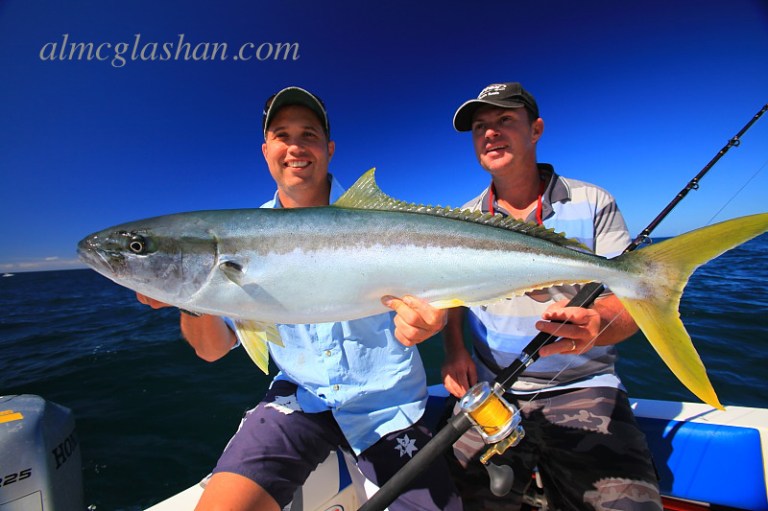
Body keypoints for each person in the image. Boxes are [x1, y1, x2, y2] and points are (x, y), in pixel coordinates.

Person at [138, 86, 462, 511]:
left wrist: (430, 320)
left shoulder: (380, 222)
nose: (295, 147)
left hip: (389, 403)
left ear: (329, 149)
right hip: (300, 399)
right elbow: (212, 350)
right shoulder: (240, 236)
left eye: (308, 134)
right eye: (282, 135)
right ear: (266, 150)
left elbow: (445, 286)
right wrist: (188, 296)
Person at [441, 82, 662, 511]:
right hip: (493, 390)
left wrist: (598, 323)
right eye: (480, 127)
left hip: (583, 386)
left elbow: (631, 300)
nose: (490, 133)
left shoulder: (592, 201)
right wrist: (454, 350)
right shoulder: (462, 219)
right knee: (452, 497)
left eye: (505, 120)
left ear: (536, 129)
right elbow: (450, 294)